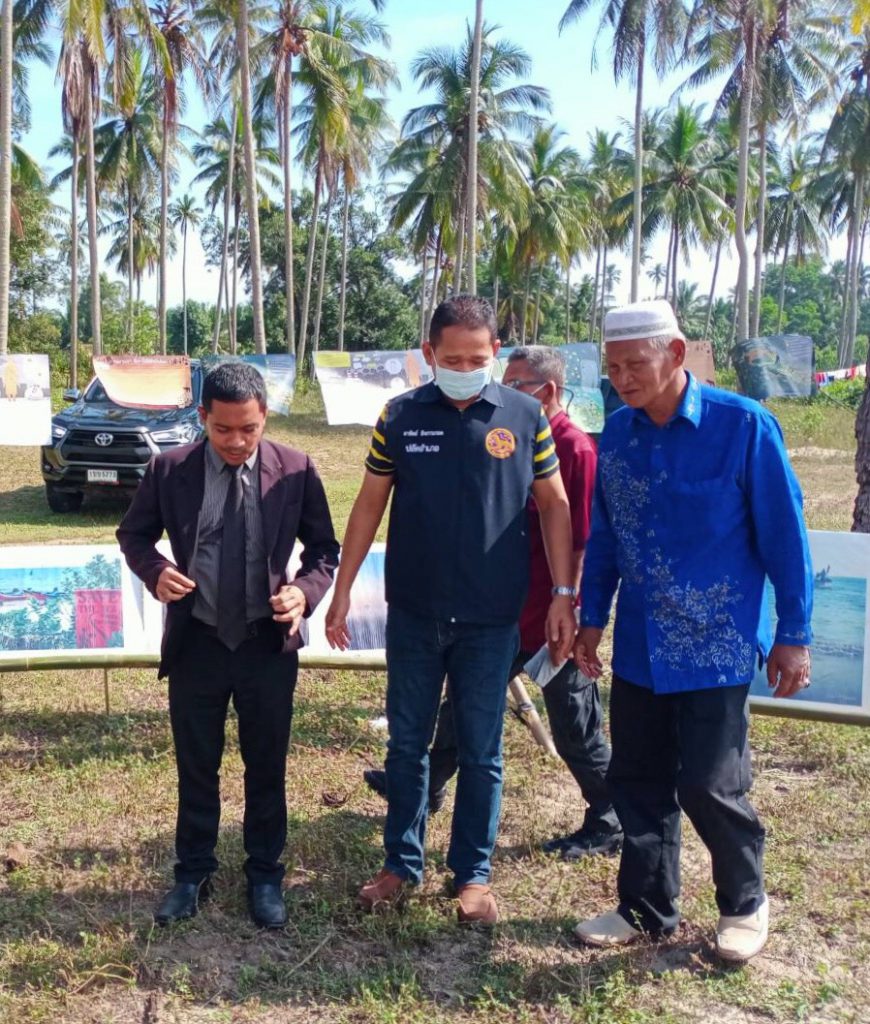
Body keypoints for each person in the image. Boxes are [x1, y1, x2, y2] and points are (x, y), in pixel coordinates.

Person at [573, 299, 813, 963]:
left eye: (635, 364)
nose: (622, 378)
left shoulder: (744, 427)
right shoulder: (616, 434)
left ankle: (743, 903)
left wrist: (794, 632)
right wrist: (592, 617)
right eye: (613, 366)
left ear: (676, 354)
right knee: (638, 777)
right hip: (644, 643)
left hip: (719, 640)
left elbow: (786, 537)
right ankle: (646, 907)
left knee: (710, 782)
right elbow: (606, 537)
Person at [325, 297, 577, 926]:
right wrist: (341, 589)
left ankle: (472, 876)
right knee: (407, 745)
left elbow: (554, 504)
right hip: (414, 611)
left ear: (496, 354)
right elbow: (368, 505)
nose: (464, 367)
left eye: (478, 358)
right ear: (429, 354)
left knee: (483, 751)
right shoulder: (400, 415)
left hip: (493, 619)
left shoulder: (524, 416)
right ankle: (400, 865)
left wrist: (564, 594)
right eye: (452, 357)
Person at [363, 345, 622, 860]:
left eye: (517, 383)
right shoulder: (496, 431)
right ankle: (425, 787)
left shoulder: (574, 450)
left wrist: (570, 607)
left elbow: (581, 540)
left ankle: (611, 816)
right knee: (463, 708)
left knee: (574, 722)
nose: (500, 390)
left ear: (546, 392)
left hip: (550, 619)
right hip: (500, 608)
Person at [117, 362, 339, 929]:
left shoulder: (295, 469)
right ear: (203, 420)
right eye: (223, 431)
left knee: (266, 766)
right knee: (197, 766)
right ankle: (192, 873)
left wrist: (303, 594)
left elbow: (323, 551)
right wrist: (156, 571)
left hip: (267, 645)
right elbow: (134, 535)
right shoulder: (170, 471)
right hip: (200, 642)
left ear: (264, 417)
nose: (237, 442)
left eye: (249, 429)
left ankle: (265, 876)